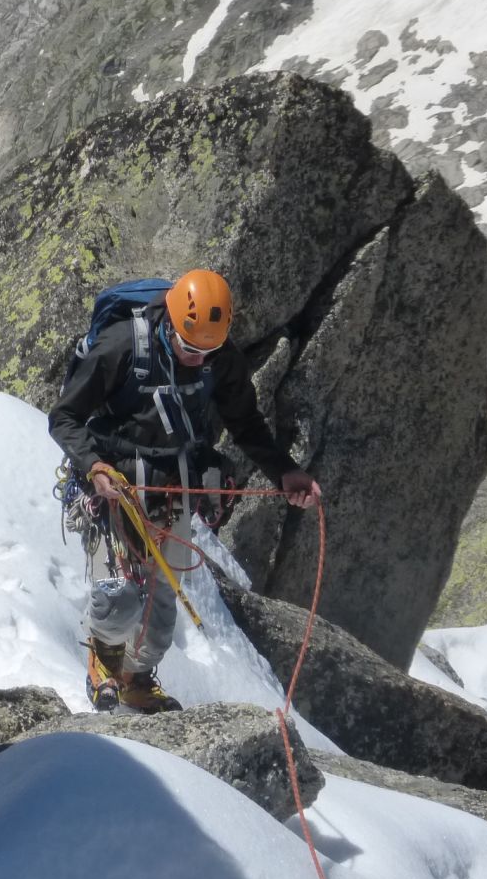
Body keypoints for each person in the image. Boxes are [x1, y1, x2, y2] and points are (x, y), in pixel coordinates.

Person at [47, 269, 320, 713]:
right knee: (116, 594)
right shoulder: (120, 346)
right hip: (112, 485)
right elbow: (64, 417)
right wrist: (93, 465)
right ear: (170, 323)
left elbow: (246, 422)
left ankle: (136, 678)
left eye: (207, 351)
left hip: (172, 483)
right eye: (189, 349)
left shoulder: (218, 356)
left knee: (161, 608)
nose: (198, 360)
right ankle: (104, 663)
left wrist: (284, 472)